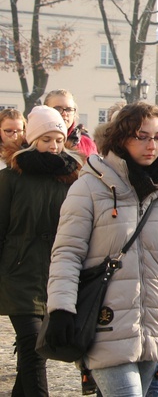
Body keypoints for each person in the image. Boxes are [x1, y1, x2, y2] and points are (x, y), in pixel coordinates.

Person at [46, 102, 158, 396]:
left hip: (156, 323)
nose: (152, 145)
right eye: (142, 136)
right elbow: (67, 252)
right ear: (121, 138)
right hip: (104, 324)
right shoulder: (90, 186)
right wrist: (61, 308)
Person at [0, 106, 81, 396]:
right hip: (18, 274)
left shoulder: (72, 176)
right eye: (46, 139)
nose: (54, 146)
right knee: (35, 349)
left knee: (32, 352)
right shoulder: (11, 178)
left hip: (55, 274)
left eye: (58, 139)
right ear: (33, 138)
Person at [44, 89, 98, 158]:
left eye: (69, 109)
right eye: (57, 109)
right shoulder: (33, 141)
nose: (64, 113)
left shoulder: (87, 144)